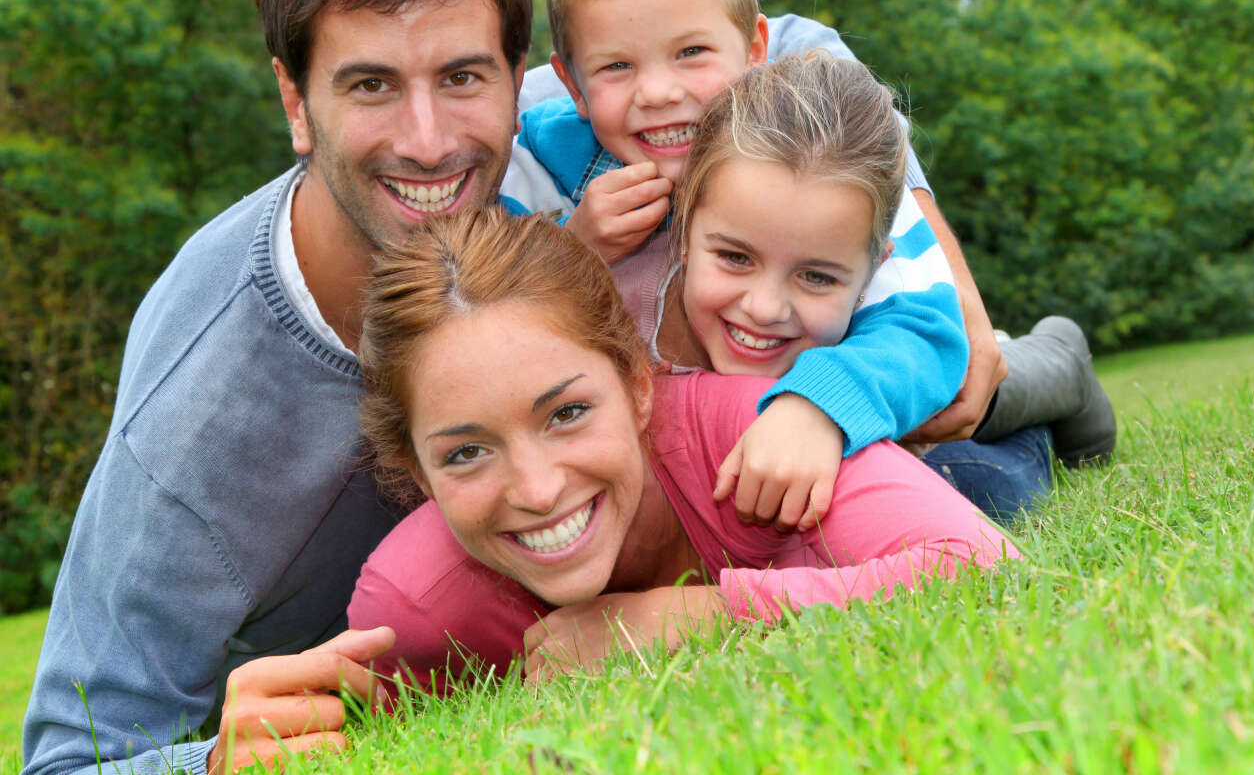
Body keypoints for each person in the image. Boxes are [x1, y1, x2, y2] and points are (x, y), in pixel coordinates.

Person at [22, 0, 533, 775]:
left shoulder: (558, 177)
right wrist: (217, 760)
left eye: (462, 75)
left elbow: (769, 67)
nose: (429, 139)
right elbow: (65, 760)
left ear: (517, 79)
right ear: (297, 103)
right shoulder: (200, 410)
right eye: (371, 86)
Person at [500, 0, 1113, 523]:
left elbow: (925, 321)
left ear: (755, 49)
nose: (657, 91)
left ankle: (1055, 381)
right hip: (695, 464)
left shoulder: (812, 151)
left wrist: (822, 404)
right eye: (617, 67)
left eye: (692, 53)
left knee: (973, 477)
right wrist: (572, 253)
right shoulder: (543, 180)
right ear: (569, 82)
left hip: (855, 420)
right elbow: (487, 325)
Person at [346, 209, 1019, 695]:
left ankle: (1057, 366)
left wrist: (710, 615)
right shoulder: (413, 603)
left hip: (939, 446)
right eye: (466, 454)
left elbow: (991, 570)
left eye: (569, 414)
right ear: (418, 476)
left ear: (640, 387)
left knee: (996, 460)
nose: (538, 490)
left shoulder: (757, 435)